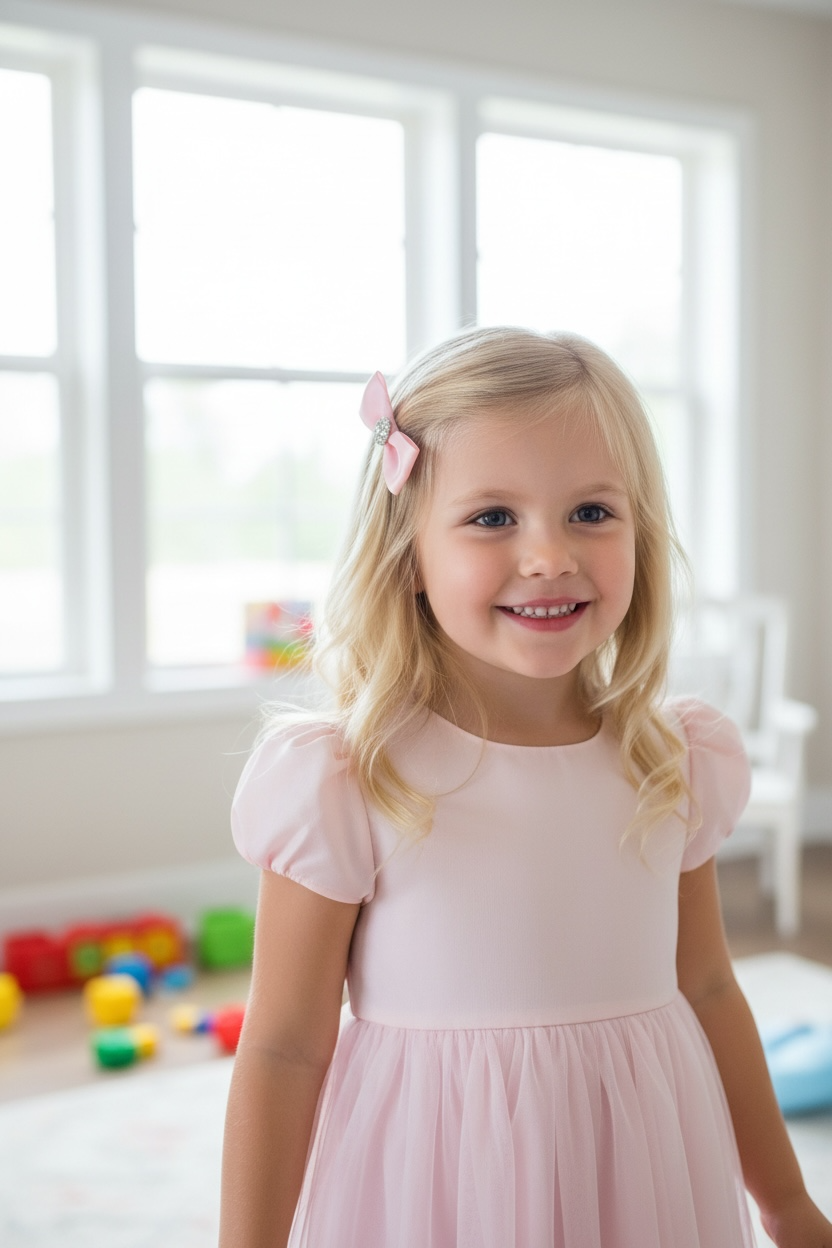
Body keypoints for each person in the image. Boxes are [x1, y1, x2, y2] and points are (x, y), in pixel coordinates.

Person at [220, 327, 832, 1248]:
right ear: (407, 554)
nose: (549, 555)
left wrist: (787, 1204)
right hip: (441, 1185)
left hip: (644, 1166)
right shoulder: (349, 778)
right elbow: (283, 1047)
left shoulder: (672, 759)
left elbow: (707, 989)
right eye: (493, 517)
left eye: (591, 512)